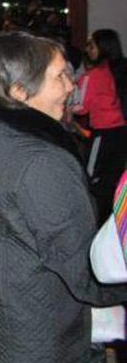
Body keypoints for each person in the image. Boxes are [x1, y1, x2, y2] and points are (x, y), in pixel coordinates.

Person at [0, 31, 127, 363]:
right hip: (32, 348)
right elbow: (86, 273)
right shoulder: (43, 163)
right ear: (19, 91)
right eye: (59, 76)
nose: (72, 85)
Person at [72, 29, 127, 221]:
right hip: (121, 132)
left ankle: (90, 221)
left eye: (91, 45)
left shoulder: (93, 75)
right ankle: (112, 219)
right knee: (114, 179)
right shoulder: (121, 69)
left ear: (102, 47)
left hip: (103, 133)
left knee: (91, 177)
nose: (88, 49)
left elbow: (80, 108)